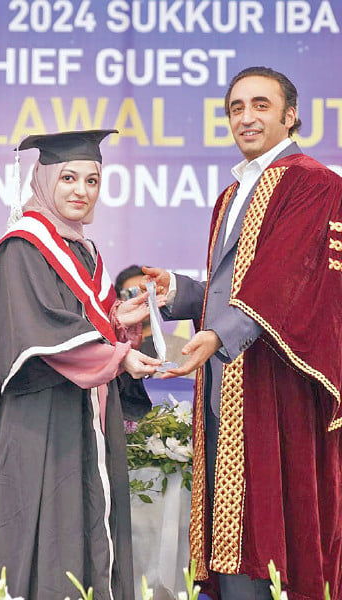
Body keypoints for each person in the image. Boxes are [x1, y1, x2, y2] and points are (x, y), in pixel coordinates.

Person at [146, 66, 342, 600]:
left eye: (261, 105)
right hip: (226, 379)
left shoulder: (313, 181)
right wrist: (181, 293)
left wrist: (217, 335)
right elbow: (239, 281)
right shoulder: (232, 193)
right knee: (231, 537)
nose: (247, 117)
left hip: (277, 386)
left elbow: (288, 276)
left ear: (291, 115)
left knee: (273, 538)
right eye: (237, 107)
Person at [0, 130, 161, 600]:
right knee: (38, 539)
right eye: (69, 178)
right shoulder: (20, 249)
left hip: (83, 419)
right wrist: (118, 355)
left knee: (83, 526)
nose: (81, 190)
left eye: (92, 180)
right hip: (39, 422)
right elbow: (39, 337)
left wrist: (120, 322)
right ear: (43, 180)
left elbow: (82, 326)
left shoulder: (85, 251)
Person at [114, 264, 192, 377]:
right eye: (130, 293)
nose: (140, 299)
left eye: (146, 292)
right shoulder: (108, 350)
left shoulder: (182, 348)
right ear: (118, 300)